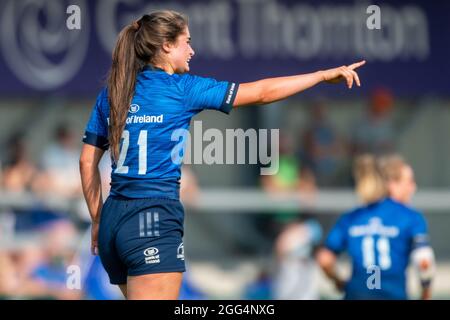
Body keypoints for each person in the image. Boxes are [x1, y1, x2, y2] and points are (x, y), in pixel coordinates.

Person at [79, 10, 365, 300]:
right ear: (166, 45)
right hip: (152, 217)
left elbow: (87, 160)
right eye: (186, 42)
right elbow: (263, 92)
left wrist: (98, 219)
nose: (192, 50)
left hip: (114, 220)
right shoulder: (182, 89)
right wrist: (320, 76)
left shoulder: (114, 91)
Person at [317, 155, 435, 300]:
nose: (413, 187)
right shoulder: (410, 217)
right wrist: (426, 294)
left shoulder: (353, 217)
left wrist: (339, 282)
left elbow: (325, 259)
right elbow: (424, 261)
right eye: (409, 182)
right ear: (391, 183)